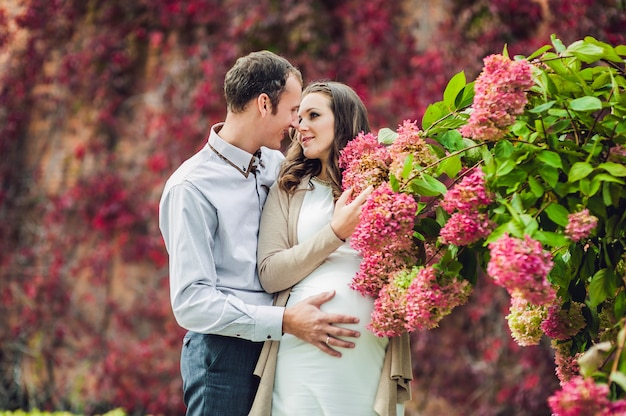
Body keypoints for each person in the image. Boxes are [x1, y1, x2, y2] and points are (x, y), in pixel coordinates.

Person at [158, 52, 362, 416]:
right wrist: (284, 321)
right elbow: (191, 301)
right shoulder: (191, 188)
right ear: (264, 104)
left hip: (282, 349)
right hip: (224, 355)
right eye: (293, 111)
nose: (297, 124)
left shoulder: (275, 166)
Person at [250, 81, 413, 416]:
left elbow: (408, 264)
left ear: (342, 119)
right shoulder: (289, 187)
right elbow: (270, 274)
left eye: (313, 115)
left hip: (368, 354)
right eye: (299, 116)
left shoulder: (386, 182)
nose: (300, 125)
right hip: (301, 349)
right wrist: (335, 232)